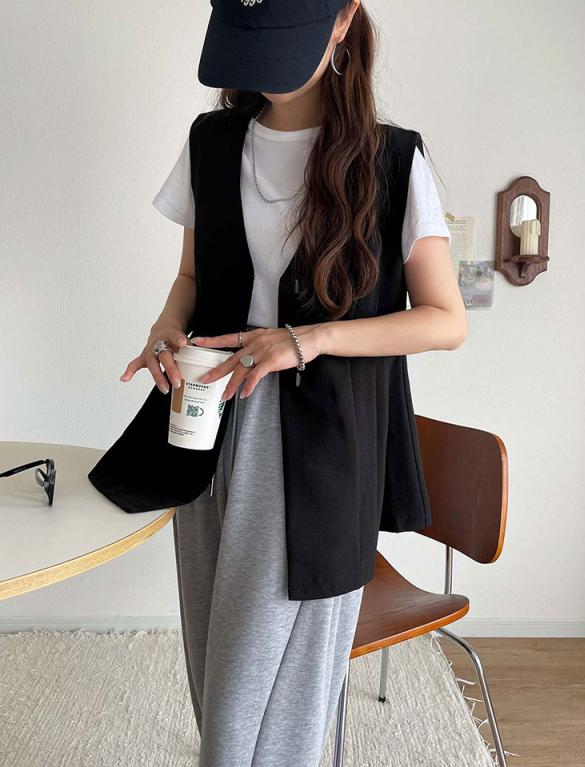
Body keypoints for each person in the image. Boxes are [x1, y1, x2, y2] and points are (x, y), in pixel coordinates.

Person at [118, 1, 467, 765]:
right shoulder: (212, 143)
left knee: (266, 709)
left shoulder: (392, 161)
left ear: (342, 21)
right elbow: (191, 277)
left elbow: (446, 319)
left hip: (320, 448)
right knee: (218, 674)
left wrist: (309, 339)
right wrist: (165, 328)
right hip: (205, 420)